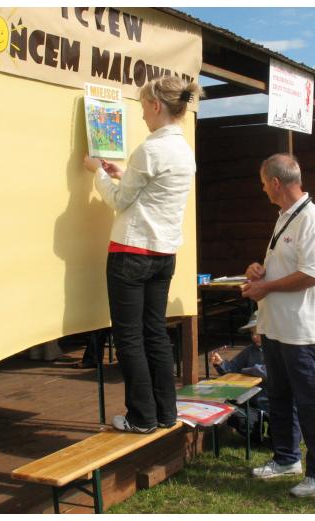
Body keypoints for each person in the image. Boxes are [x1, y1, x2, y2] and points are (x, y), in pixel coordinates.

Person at [82, 76, 203, 433]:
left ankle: (141, 417)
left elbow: (121, 200)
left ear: (156, 105)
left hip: (130, 253)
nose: (143, 116)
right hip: (164, 255)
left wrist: (97, 173)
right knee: (155, 335)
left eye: (142, 107)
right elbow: (149, 189)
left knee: (130, 338)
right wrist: (123, 173)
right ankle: (166, 413)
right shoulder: (183, 150)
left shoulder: (150, 149)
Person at [240, 153, 315, 498]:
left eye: (264, 182)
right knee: (279, 394)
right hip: (277, 325)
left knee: (309, 399)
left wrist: (265, 287)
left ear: (276, 183)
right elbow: (285, 264)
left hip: (301, 327)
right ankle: (286, 458)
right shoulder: (284, 216)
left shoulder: (311, 218)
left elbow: (312, 274)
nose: (263, 188)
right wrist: (259, 271)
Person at [210, 310, 269, 443]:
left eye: (258, 332)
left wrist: (247, 371)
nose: (254, 336)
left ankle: (280, 434)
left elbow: (269, 371)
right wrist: (220, 363)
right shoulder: (250, 351)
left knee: (281, 440)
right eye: (252, 333)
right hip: (252, 404)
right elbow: (232, 369)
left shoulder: (278, 349)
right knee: (232, 411)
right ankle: (255, 434)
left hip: (277, 404)